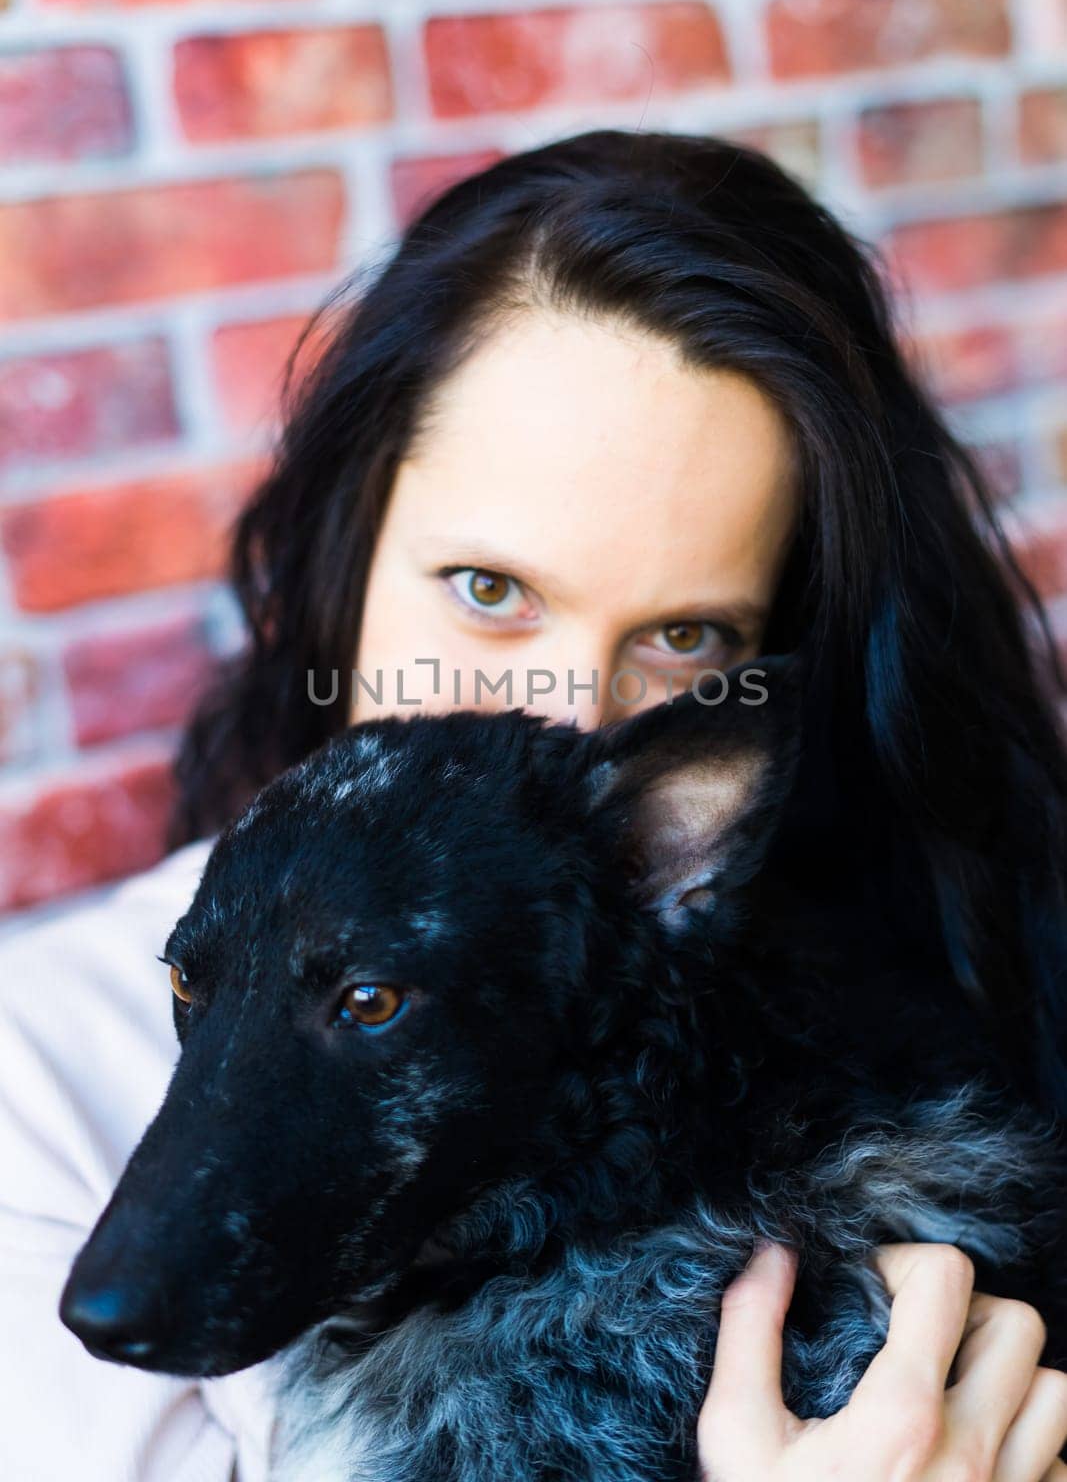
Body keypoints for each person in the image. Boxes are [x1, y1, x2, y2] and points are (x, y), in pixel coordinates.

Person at [1, 128, 1065, 1481]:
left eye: (685, 636)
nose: (562, 717)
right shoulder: (37, 1085)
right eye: (491, 592)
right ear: (348, 547)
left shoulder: (916, 1037)